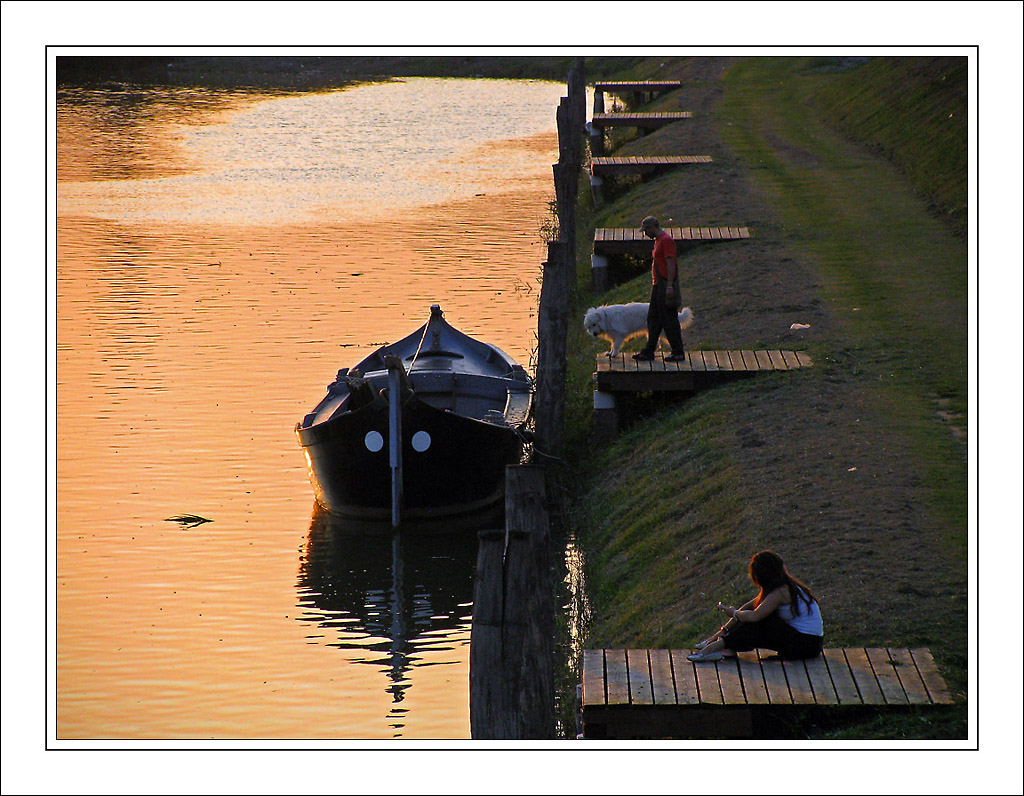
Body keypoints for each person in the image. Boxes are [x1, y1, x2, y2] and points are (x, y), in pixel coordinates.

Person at [687, 550, 823, 661]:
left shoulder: (781, 592)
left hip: (805, 645)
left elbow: (754, 617)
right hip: (808, 643)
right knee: (752, 616)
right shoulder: (783, 587)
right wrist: (723, 630)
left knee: (759, 623)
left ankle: (712, 649)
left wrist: (733, 613)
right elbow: (750, 606)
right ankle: (720, 645)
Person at [632, 215, 687, 362]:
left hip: (665, 284)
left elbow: (671, 264)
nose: (645, 234)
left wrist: (669, 286)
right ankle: (649, 351)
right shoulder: (658, 241)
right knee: (653, 319)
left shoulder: (666, 241)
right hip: (658, 285)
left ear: (652, 228)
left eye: (646, 230)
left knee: (669, 319)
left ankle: (678, 351)